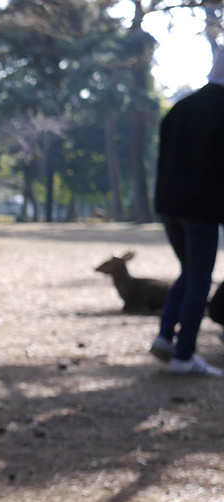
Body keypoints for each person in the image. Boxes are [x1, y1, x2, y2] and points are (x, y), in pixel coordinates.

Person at [149, 45, 224, 378]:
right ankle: (184, 354)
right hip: (202, 210)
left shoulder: (180, 108)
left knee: (188, 271)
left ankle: (166, 337)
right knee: (200, 281)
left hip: (169, 206)